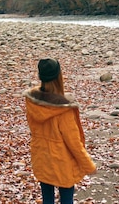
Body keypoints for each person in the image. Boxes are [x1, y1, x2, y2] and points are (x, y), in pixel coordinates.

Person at [23, 58, 97, 204]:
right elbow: (74, 143)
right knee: (66, 198)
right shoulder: (63, 109)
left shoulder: (32, 101)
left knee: (47, 198)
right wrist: (89, 165)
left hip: (41, 156)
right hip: (62, 163)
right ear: (59, 76)